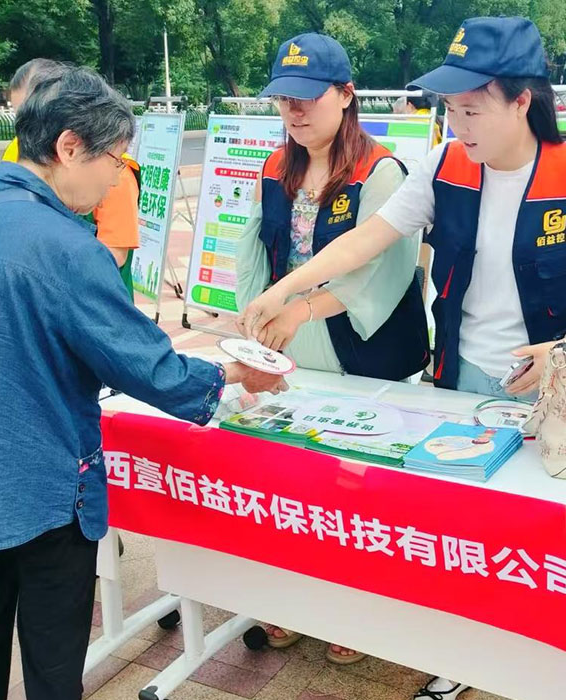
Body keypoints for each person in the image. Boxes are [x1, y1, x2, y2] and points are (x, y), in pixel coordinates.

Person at [0, 66, 285, 700]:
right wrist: (230, 371)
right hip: (45, 488)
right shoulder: (67, 246)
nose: (117, 178)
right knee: (53, 658)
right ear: (68, 147)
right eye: (115, 160)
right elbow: (147, 365)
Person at [239, 17, 566, 699]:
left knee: (542, 525)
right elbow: (365, 241)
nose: (458, 124)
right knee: (465, 521)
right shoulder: (445, 164)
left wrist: (561, 351)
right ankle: (464, 656)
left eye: (471, 109)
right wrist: (283, 291)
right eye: (450, 108)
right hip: (460, 376)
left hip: (552, 386)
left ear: (522, 101)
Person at [236, 32, 429, 665]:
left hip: (359, 346)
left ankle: (357, 612)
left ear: (346, 95)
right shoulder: (275, 166)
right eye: (282, 98)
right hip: (289, 347)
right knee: (292, 485)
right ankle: (297, 600)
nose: (293, 110)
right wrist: (255, 322)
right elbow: (255, 252)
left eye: (307, 96)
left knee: (356, 489)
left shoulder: (381, 171)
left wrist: (298, 309)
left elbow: (379, 272)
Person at [4, 58, 142, 298]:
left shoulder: (112, 168)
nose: (27, 126)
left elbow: (115, 254)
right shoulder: (17, 152)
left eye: (33, 109)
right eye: (20, 116)